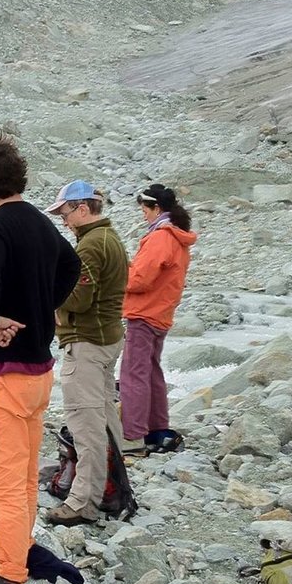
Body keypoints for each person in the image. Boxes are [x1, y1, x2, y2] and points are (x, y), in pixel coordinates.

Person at [0, 136, 80, 584]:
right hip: (40, 369)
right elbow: (72, 264)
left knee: (6, 483)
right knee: (27, 476)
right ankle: (17, 554)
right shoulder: (39, 221)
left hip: (5, 372)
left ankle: (7, 581)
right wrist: (42, 305)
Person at [44, 181, 128, 526]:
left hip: (87, 344)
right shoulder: (109, 238)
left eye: (65, 213)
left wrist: (48, 292)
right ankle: (114, 488)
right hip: (107, 339)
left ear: (82, 209)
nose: (63, 220)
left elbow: (78, 298)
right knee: (105, 418)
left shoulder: (91, 245)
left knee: (86, 425)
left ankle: (83, 502)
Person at [119, 184, 197, 454]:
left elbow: (139, 280)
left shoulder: (160, 237)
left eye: (145, 209)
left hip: (145, 312)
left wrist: (118, 273)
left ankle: (132, 435)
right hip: (161, 312)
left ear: (156, 208)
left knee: (133, 374)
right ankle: (157, 429)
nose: (143, 214)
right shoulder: (177, 236)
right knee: (151, 372)